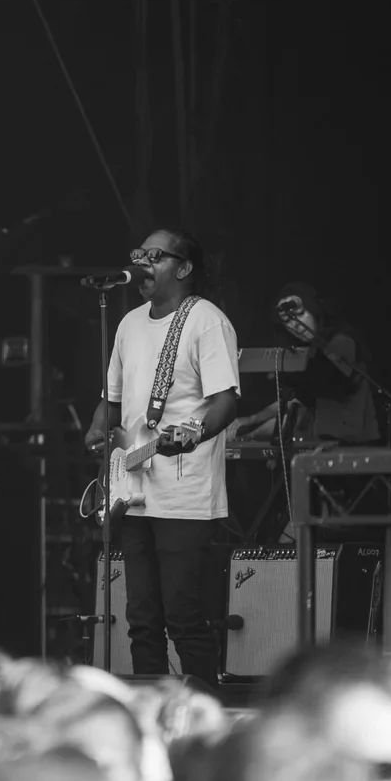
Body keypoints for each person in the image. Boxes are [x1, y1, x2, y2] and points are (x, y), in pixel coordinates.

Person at [83, 230, 239, 686]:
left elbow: (226, 403)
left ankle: (206, 717)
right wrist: (97, 428)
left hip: (185, 495)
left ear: (183, 269)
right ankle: (152, 714)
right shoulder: (128, 323)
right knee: (141, 618)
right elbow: (111, 400)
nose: (143, 263)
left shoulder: (206, 321)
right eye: (138, 254)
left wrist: (194, 433)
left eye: (155, 256)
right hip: (133, 494)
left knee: (184, 615)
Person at [230, 282, 380, 445]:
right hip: (326, 444)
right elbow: (295, 403)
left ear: (315, 310)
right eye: (286, 321)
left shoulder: (342, 341)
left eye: (300, 315)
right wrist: (250, 424)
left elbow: (325, 382)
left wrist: (288, 375)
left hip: (354, 446)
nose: (294, 325)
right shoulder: (312, 352)